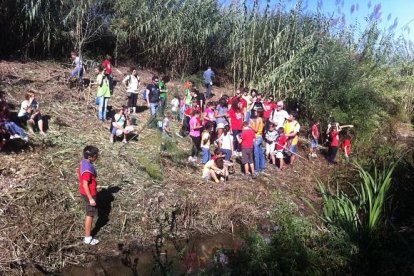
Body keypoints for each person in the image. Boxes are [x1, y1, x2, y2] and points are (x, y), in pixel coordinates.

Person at [78, 145, 100, 245]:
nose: (97, 157)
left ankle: (88, 236)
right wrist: (91, 198)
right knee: (90, 215)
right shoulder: (87, 170)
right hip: (89, 194)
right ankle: (88, 238)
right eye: (96, 156)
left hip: (85, 192)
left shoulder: (84, 162)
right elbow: (85, 183)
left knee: (89, 213)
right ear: (91, 157)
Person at [250, 108, 266, 173]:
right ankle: (262, 167)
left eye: (256, 111)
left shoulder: (257, 120)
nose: (255, 112)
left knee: (256, 154)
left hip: (256, 137)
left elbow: (256, 130)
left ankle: (257, 169)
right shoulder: (262, 119)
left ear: (258, 113)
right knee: (261, 153)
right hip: (260, 137)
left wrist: (250, 126)